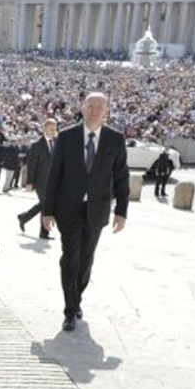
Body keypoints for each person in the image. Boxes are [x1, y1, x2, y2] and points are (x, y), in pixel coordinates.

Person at [42, 92, 129, 331]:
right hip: (68, 209)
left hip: (97, 210)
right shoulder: (67, 136)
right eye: (90, 106)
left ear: (106, 112)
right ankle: (70, 310)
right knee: (70, 258)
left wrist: (121, 212)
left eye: (99, 107)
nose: (94, 110)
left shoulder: (115, 139)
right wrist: (47, 211)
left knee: (85, 260)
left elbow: (121, 176)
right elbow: (54, 175)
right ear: (82, 107)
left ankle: (76, 298)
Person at [19, 118, 58, 239]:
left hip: (52, 181)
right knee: (46, 204)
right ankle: (43, 231)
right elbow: (32, 165)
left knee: (45, 204)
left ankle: (25, 217)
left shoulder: (56, 143)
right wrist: (29, 182)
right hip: (40, 181)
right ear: (45, 128)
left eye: (55, 128)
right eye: (52, 128)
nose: (54, 130)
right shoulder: (36, 145)